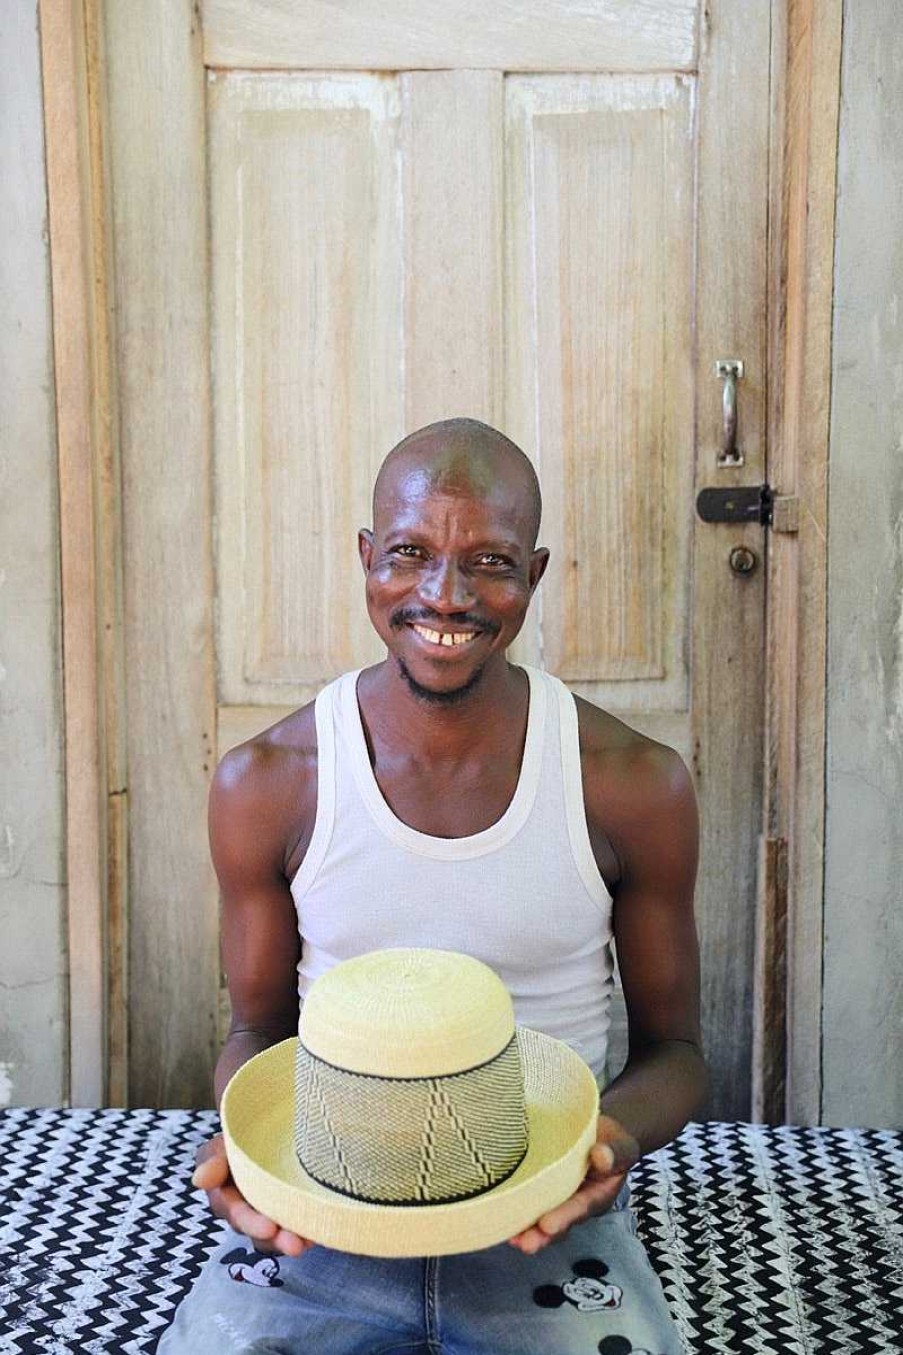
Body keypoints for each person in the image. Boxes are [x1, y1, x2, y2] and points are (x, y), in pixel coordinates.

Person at [159, 417, 706, 1354]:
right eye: (409, 553)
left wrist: (602, 1146)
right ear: (367, 558)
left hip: (542, 1210)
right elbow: (256, 1037)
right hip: (327, 1205)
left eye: (488, 561)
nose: (443, 595)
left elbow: (679, 1051)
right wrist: (251, 1157)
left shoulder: (628, 780)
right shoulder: (269, 780)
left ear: (534, 574)